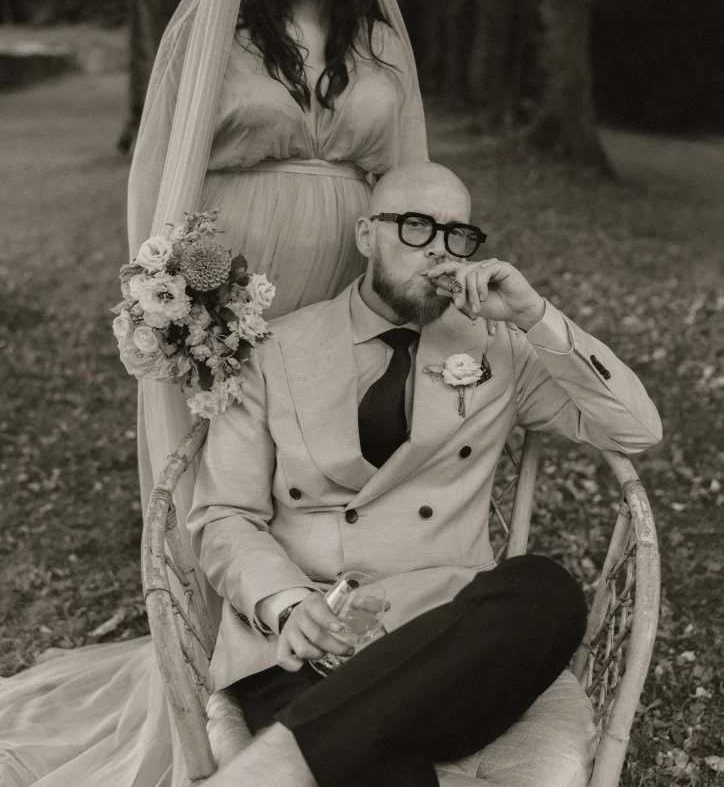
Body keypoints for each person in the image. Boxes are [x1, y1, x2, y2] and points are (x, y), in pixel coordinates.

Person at [0, 0, 426, 787]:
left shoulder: (378, 44)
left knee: (316, 465)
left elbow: (401, 179)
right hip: (233, 290)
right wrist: (177, 293)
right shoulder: (218, 38)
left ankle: (313, 658)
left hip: (337, 292)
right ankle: (212, 686)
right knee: (223, 480)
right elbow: (162, 171)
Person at [189, 162, 663, 787]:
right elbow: (224, 515)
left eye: (457, 234)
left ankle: (278, 762)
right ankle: (302, 752)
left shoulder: (499, 348)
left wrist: (533, 315)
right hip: (304, 649)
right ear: (366, 235)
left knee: (545, 589)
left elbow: (636, 429)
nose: (440, 248)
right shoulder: (273, 352)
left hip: (444, 646)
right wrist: (288, 605)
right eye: (415, 227)